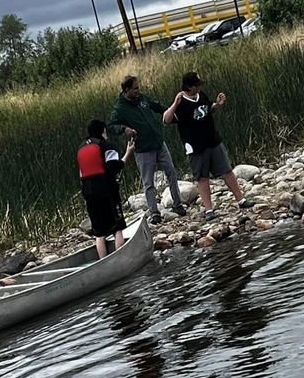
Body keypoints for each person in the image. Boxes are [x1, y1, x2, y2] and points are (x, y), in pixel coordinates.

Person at [163, 71, 256, 221]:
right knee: (202, 177)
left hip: (213, 140)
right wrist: (175, 103)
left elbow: (206, 109)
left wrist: (217, 105)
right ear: (189, 86)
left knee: (227, 171)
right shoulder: (181, 103)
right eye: (197, 85)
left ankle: (241, 200)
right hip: (195, 146)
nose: (199, 87)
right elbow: (166, 120)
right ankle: (209, 210)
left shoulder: (202, 95)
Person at [108, 74, 186, 225]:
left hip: (159, 143)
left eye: (138, 88)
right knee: (148, 182)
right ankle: (154, 212)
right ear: (126, 90)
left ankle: (178, 205)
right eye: (135, 88)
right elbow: (111, 126)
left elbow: (156, 106)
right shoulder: (120, 108)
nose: (138, 90)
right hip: (143, 149)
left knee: (171, 173)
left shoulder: (142, 98)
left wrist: (172, 111)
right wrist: (124, 129)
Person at [77, 119, 135, 258]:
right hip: (106, 191)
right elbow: (113, 167)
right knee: (117, 227)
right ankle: (120, 259)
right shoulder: (106, 145)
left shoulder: (81, 148)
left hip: (89, 193)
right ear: (103, 131)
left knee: (99, 232)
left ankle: (103, 260)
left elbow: (81, 173)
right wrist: (128, 153)